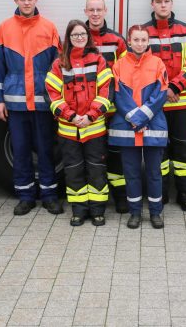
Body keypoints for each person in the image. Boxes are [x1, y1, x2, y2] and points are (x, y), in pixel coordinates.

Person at [0, 0, 63, 216]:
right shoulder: (4, 28)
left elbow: (58, 67)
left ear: (36, 0)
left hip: (43, 102)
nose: (26, 3)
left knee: (45, 150)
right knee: (21, 150)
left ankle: (50, 196)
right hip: (16, 103)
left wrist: (58, 99)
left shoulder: (49, 27)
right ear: (16, 1)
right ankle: (25, 196)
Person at [46, 20, 113, 226]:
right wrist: (72, 116)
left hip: (94, 128)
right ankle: (79, 210)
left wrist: (90, 116)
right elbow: (52, 95)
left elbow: (106, 91)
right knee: (73, 170)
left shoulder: (99, 61)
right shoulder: (59, 64)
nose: (79, 38)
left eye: (82, 34)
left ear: (88, 37)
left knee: (96, 169)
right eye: (75, 35)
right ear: (68, 38)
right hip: (69, 130)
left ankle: (98, 210)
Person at [144, 0, 186, 211]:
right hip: (156, 106)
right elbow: (143, 67)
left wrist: (175, 87)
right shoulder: (144, 32)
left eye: (166, 1)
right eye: (158, 1)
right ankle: (162, 193)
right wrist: (162, 91)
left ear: (172, 3)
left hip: (182, 103)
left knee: (184, 151)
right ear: (152, 4)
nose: (163, 5)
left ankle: (185, 194)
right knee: (159, 151)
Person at [109, 25, 169, 229]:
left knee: (154, 173)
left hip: (150, 126)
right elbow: (117, 94)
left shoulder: (158, 63)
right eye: (136, 40)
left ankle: (155, 213)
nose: (140, 44)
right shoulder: (118, 65)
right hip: (128, 128)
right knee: (131, 173)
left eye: (144, 40)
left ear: (148, 41)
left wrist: (140, 118)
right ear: (129, 40)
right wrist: (135, 118)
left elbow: (161, 93)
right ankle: (134, 213)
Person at [83, 0, 129, 213]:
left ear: (105, 11)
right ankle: (94, 199)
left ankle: (120, 197)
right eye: (91, 10)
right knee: (93, 155)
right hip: (86, 111)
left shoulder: (117, 40)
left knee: (116, 155)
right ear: (85, 12)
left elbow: (126, 73)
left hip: (111, 110)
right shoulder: (77, 37)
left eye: (98, 10)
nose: (95, 14)